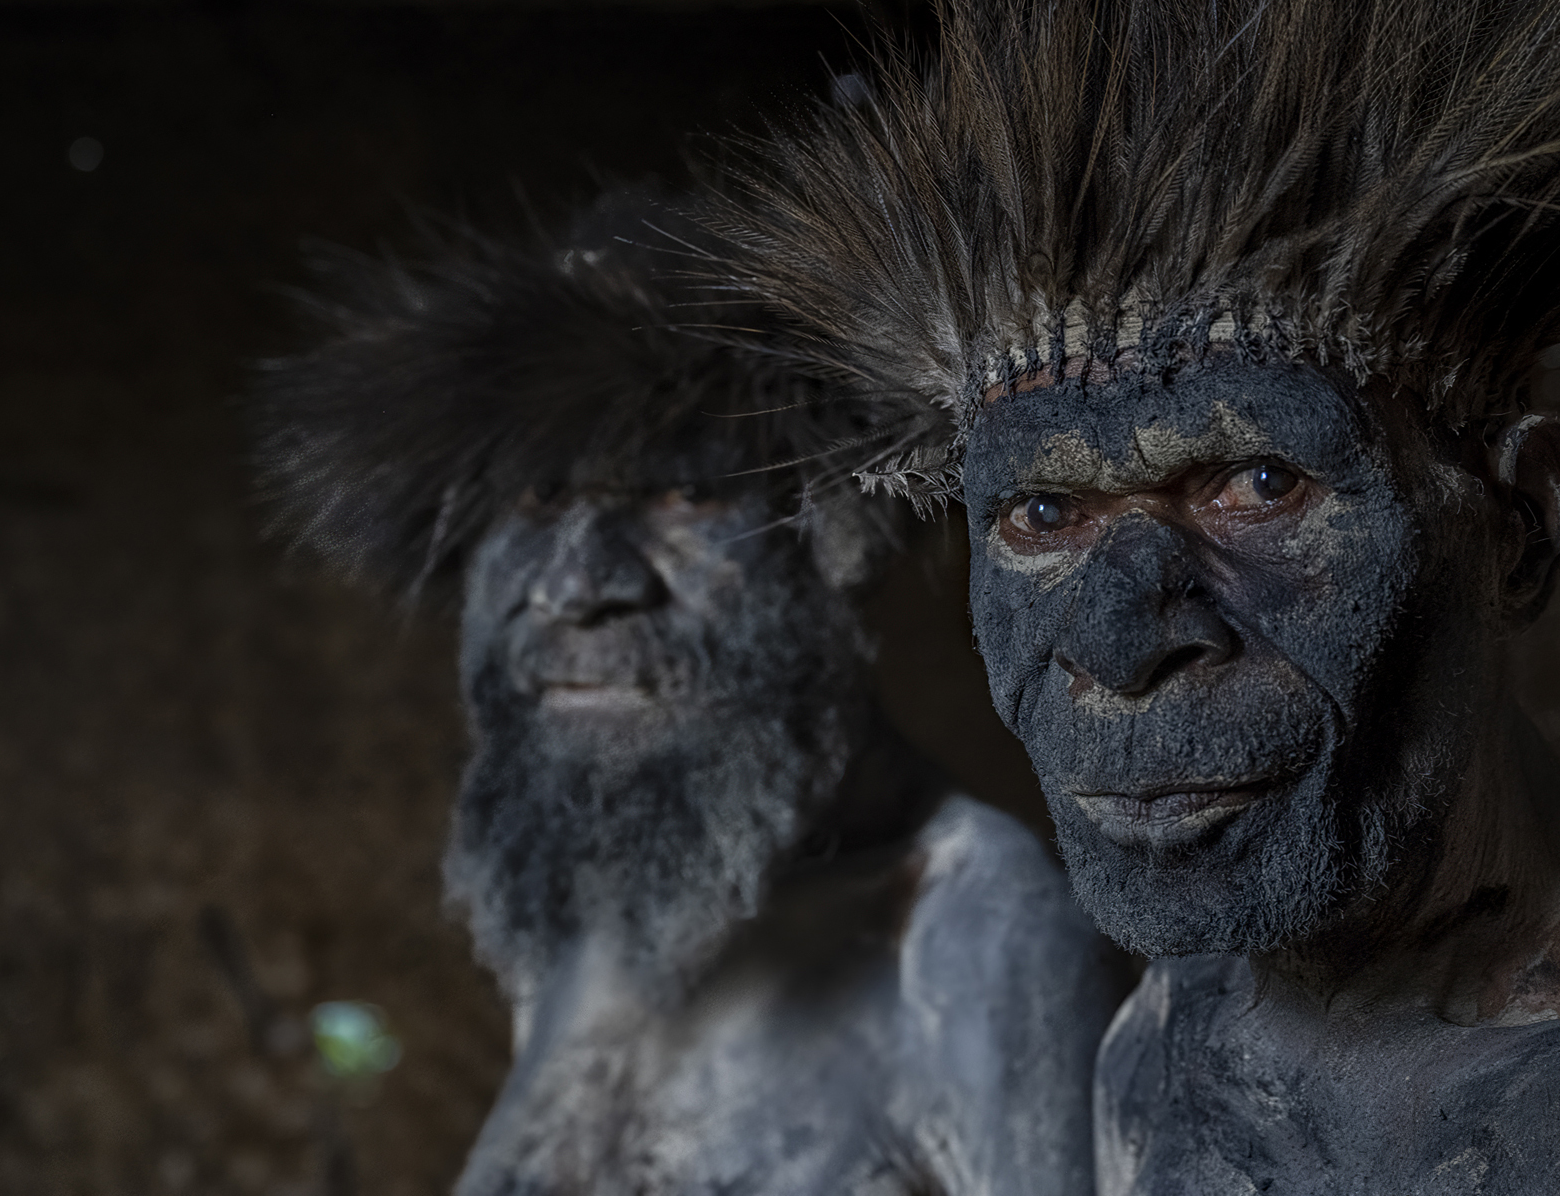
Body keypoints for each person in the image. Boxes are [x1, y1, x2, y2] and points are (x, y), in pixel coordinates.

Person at [706, 0, 1560, 1191]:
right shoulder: (1164, 1034)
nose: (1120, 641)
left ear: (1521, 520)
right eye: (1041, 512)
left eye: (1255, 484)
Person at [255, 194, 1126, 1196]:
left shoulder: (969, 923)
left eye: (682, 495)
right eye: (539, 499)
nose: (576, 586)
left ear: (835, 537)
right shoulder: (609, 910)